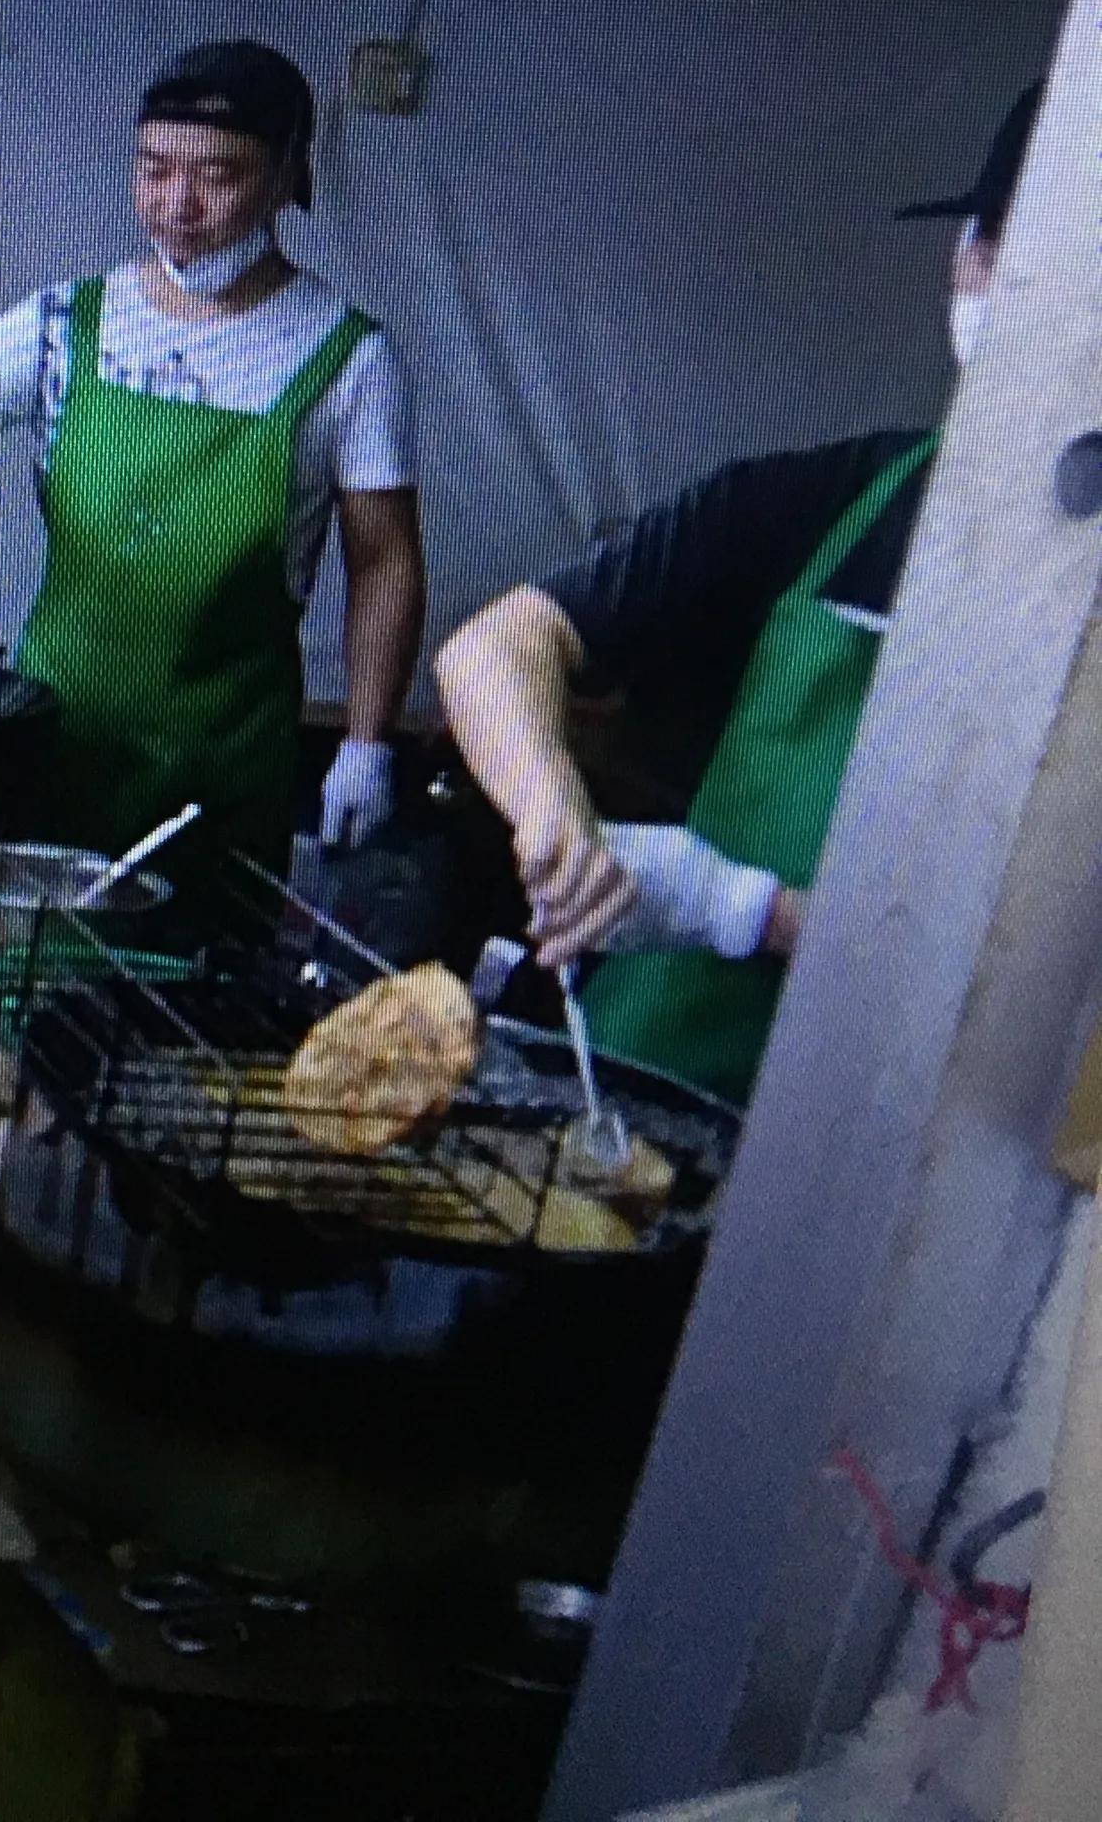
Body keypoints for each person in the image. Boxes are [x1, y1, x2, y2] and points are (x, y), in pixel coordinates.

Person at [435, 86, 1039, 1103]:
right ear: (965, 259)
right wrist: (557, 819)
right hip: (647, 1095)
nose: (1019, 293)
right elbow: (495, 647)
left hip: (908, 1140)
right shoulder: (820, 498)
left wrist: (741, 909)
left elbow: (1052, 1006)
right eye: (1005, 255)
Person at [0, 39, 425, 872]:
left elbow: (384, 562)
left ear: (285, 177)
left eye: (218, 175)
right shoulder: (70, 322)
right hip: (48, 746)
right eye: (154, 169)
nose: (177, 205)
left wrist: (366, 741)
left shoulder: (348, 358)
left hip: (218, 783)